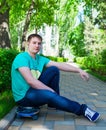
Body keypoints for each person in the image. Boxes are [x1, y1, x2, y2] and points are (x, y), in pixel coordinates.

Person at [11, 33, 100, 122]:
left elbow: (59, 65)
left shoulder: (39, 58)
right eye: (34, 43)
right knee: (50, 94)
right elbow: (31, 81)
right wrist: (49, 90)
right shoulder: (21, 58)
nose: (37, 45)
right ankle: (82, 110)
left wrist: (79, 70)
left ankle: (52, 103)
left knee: (54, 69)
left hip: (33, 90)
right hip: (24, 97)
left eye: (39, 43)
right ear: (28, 44)